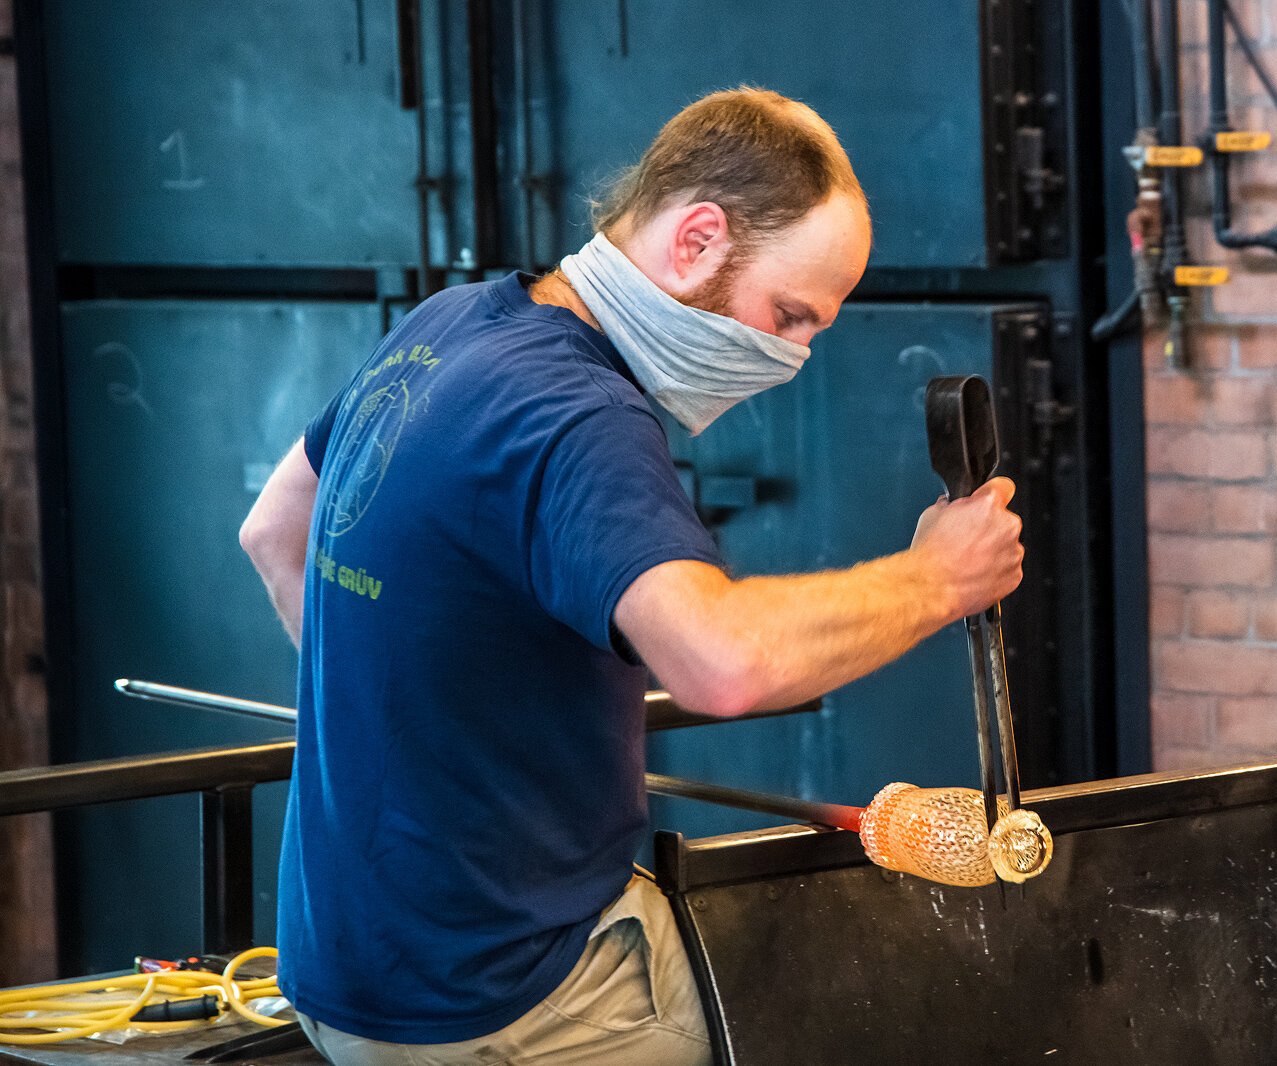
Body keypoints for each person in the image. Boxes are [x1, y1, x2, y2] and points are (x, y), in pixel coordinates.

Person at [240, 87, 1023, 1066]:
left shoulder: (450, 324)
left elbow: (275, 529)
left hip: (344, 967)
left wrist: (422, 735)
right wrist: (937, 577)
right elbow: (721, 665)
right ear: (696, 239)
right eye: (787, 315)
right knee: (859, 1009)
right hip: (508, 995)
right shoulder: (578, 415)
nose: (794, 354)